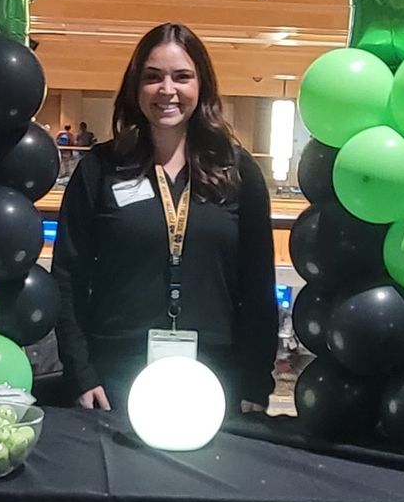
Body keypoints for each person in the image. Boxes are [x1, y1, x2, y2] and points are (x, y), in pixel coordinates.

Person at [53, 23, 277, 414]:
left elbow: (258, 283)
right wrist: (81, 373)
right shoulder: (101, 168)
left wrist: (256, 381)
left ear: (201, 85)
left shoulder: (237, 170)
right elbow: (68, 276)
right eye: (153, 77)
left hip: (216, 375)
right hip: (116, 373)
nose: (167, 89)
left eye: (182, 77)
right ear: (135, 87)